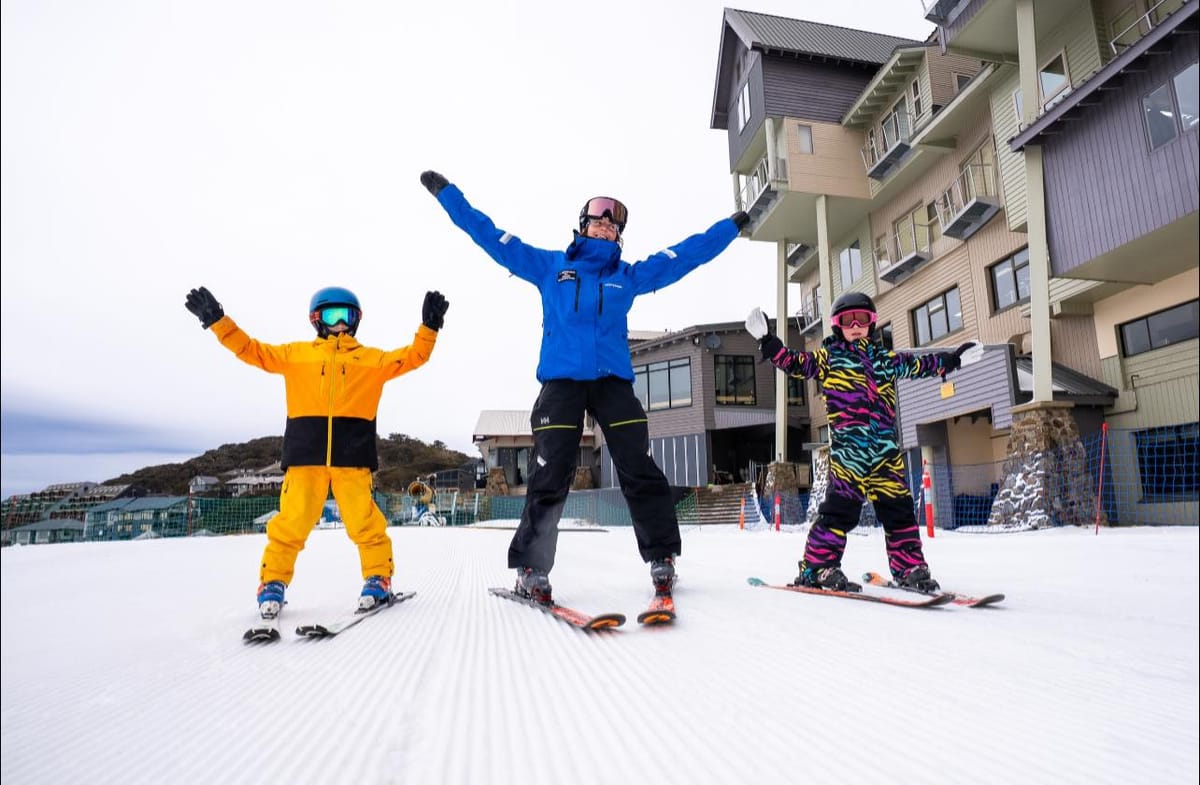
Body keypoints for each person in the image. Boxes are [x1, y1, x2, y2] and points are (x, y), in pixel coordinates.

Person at [418, 169, 749, 604]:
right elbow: (489, 234)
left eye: (614, 223)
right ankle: (532, 568)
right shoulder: (550, 266)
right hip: (562, 382)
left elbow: (684, 257)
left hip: (612, 382)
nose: (606, 225)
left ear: (619, 236)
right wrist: (448, 196)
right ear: (581, 225)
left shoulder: (627, 276)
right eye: (598, 219)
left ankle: (662, 558)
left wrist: (729, 228)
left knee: (638, 464)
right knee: (550, 470)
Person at [184, 284, 450, 618]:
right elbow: (252, 350)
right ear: (316, 320)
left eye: (346, 316)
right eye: (331, 315)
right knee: (291, 523)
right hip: (304, 457)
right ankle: (272, 584)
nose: (340, 323)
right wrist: (216, 320)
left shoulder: (372, 361)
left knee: (365, 523)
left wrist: (429, 328)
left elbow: (414, 356)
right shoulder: (296, 355)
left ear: (356, 321)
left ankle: (378, 579)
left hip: (352, 459)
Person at [745, 292, 980, 593]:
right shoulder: (829, 359)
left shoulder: (886, 361)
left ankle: (909, 568)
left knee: (899, 510)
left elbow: (921, 364)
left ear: (871, 324)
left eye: (862, 320)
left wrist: (954, 360)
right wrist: (768, 341)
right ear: (836, 326)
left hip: (886, 455)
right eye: (847, 320)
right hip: (849, 457)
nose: (855, 325)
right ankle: (818, 568)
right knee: (839, 512)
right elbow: (794, 363)